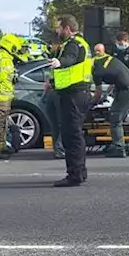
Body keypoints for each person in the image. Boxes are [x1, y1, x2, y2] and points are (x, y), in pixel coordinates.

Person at [48, 15, 93, 187]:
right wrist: (52, 83)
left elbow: (70, 59)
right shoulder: (81, 43)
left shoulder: (73, 44)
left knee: (71, 135)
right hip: (78, 93)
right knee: (74, 134)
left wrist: (60, 61)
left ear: (67, 28)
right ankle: (80, 172)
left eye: (59, 27)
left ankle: (74, 175)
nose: (57, 31)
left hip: (73, 95)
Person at [92, 43, 129, 157]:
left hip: (125, 90)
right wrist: (107, 94)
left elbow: (98, 91)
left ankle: (119, 148)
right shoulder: (111, 59)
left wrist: (93, 102)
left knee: (115, 119)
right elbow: (116, 76)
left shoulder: (95, 68)